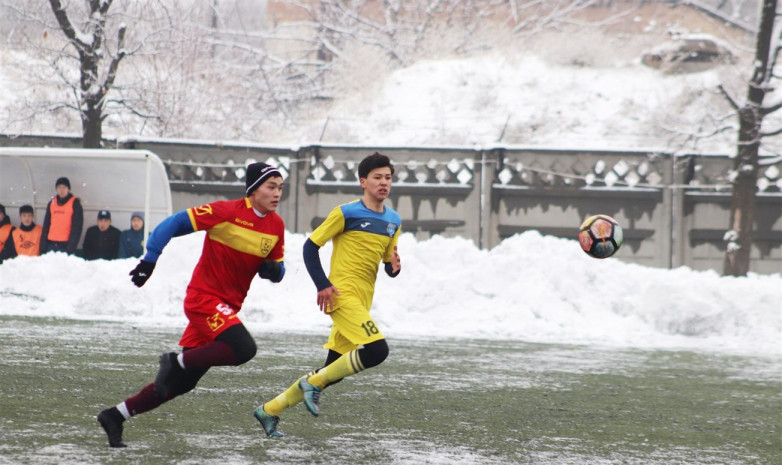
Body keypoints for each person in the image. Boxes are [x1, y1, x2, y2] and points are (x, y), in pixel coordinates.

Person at [97, 162, 286, 448]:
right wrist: (150, 259)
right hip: (203, 300)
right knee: (244, 348)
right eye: (271, 187)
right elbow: (173, 223)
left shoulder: (276, 226)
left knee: (180, 384)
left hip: (225, 310)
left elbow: (278, 268)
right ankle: (175, 360)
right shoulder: (226, 212)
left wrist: (273, 271)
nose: (277, 193)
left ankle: (115, 415)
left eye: (280, 188)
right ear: (252, 190)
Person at [253, 152, 402, 438]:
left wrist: (394, 268)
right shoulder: (346, 213)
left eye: (388, 178)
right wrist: (322, 284)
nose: (384, 183)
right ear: (363, 181)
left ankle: (269, 409)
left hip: (362, 300)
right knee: (377, 351)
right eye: (377, 177)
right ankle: (312, 385)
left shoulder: (393, 220)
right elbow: (310, 247)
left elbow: (387, 263)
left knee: (329, 372)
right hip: (341, 296)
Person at [40, 177, 83, 255]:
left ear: (68, 189)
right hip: (51, 245)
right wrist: (43, 245)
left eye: (64, 187)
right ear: (56, 189)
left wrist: (71, 247)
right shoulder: (52, 203)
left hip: (65, 246)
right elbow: (46, 225)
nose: (61, 190)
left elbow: (77, 228)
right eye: (59, 187)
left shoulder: (75, 204)